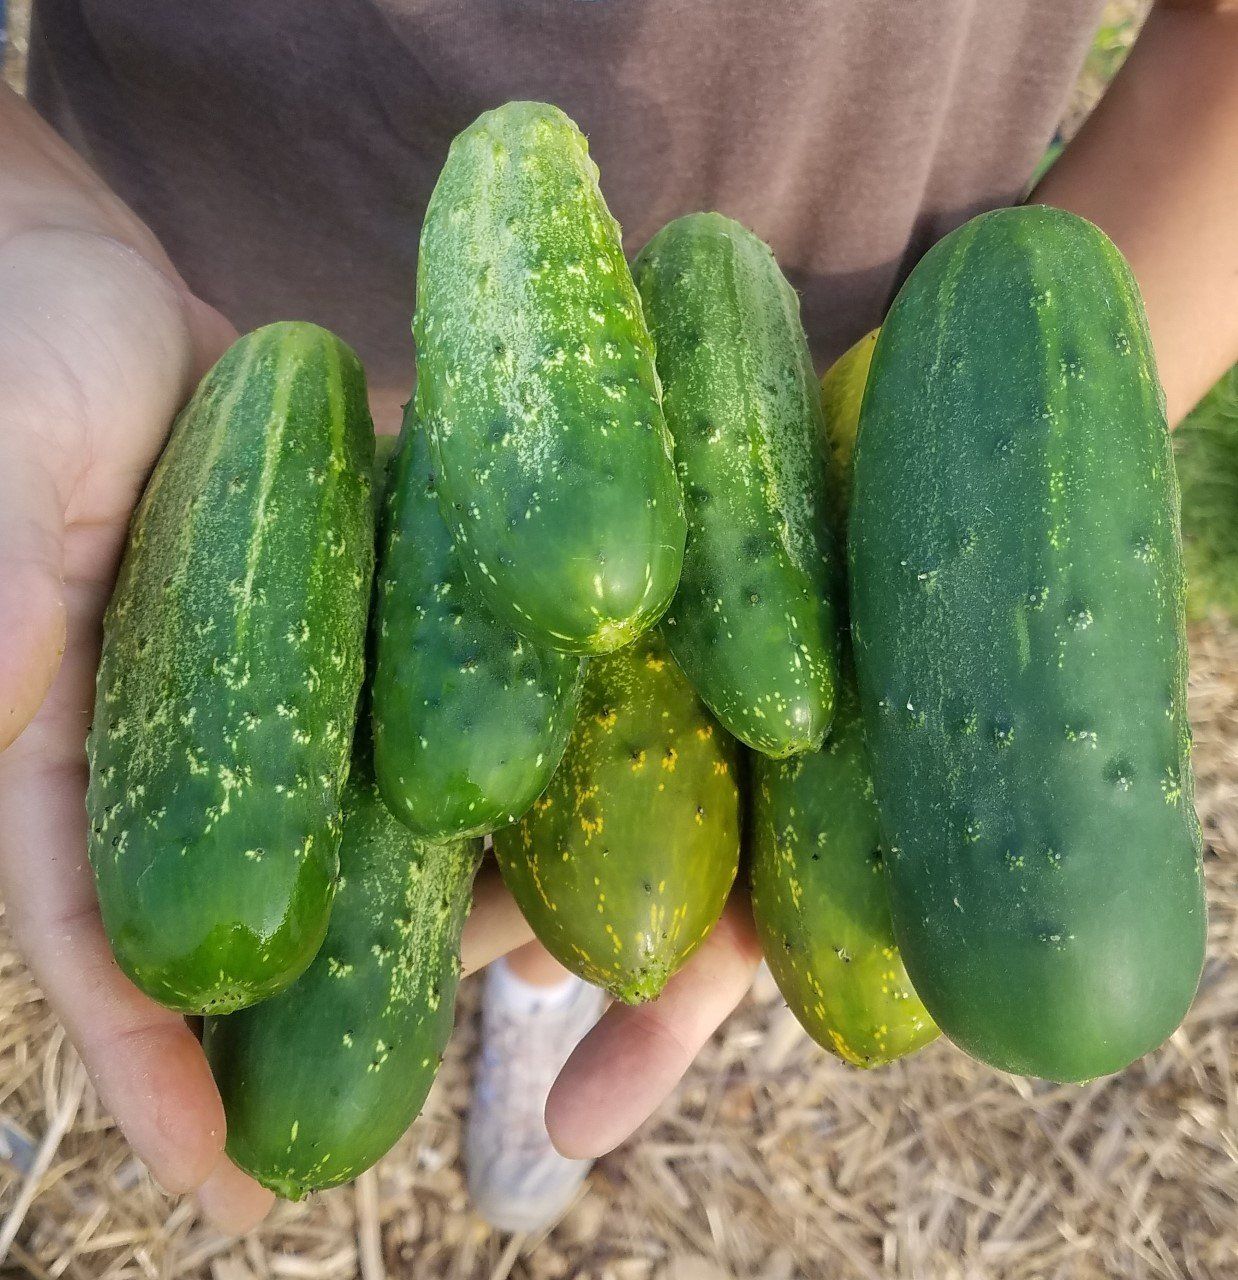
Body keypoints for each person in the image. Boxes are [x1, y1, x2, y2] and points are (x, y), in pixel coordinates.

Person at [0, 0, 1235, 1239]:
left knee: (580, 763)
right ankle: (558, 953)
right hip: (202, 287)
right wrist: (26, 217)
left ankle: (551, 974)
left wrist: (1014, 393)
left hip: (818, 405)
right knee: (505, 739)